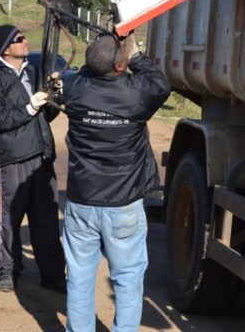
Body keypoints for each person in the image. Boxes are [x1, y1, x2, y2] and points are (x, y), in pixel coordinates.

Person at [61, 33, 171, 332]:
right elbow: (161, 85)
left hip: (82, 201)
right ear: (121, 67)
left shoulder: (74, 88)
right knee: (128, 279)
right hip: (123, 205)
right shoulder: (135, 94)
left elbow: (86, 71)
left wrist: (114, 55)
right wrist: (136, 56)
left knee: (80, 279)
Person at [0, 24, 66, 294]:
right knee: (11, 218)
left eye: (24, 37)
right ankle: (8, 271)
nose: (26, 42)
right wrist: (29, 107)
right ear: (6, 48)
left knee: (46, 218)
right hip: (12, 158)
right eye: (19, 39)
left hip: (41, 155)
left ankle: (52, 274)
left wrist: (53, 96)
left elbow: (45, 116)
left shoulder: (32, 72)